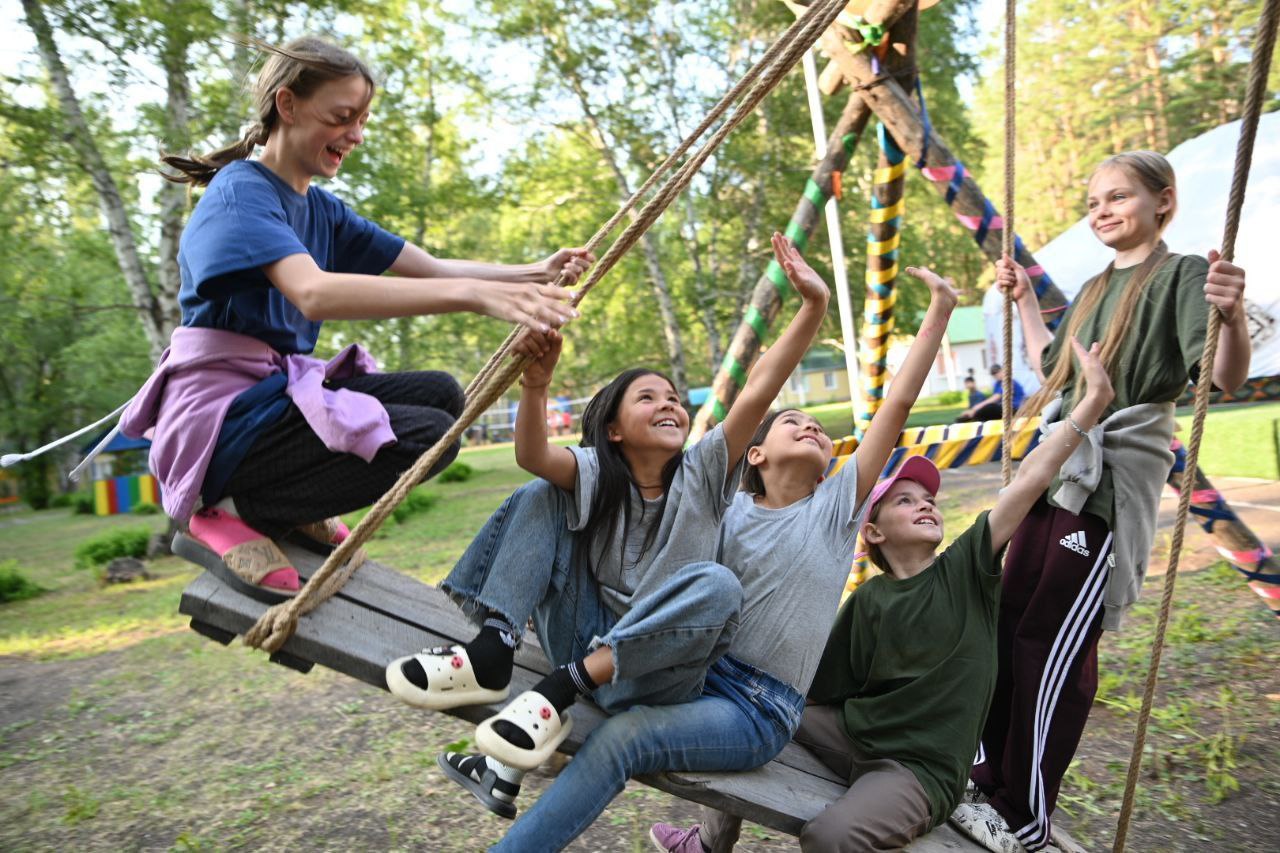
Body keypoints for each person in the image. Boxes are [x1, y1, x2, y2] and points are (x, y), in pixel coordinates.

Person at [118, 37, 588, 599]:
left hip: (271, 398)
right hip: (225, 420)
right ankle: (229, 508)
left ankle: (289, 502)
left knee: (442, 396)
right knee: (429, 438)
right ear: (288, 105)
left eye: (362, 121)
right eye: (342, 117)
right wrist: (475, 297)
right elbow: (313, 293)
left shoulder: (321, 208)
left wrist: (534, 272)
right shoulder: (240, 191)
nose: (356, 135)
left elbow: (431, 268)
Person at [383, 234, 828, 826]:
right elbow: (534, 458)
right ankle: (494, 646)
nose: (669, 404)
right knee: (544, 493)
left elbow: (760, 385)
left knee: (719, 586)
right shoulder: (599, 474)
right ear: (614, 430)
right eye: (648, 398)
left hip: (654, 674)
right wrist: (536, 385)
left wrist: (813, 308)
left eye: (673, 398)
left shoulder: (703, 475)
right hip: (581, 640)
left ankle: (542, 710)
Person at [661, 336, 1108, 853]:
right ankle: (708, 843)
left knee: (829, 838)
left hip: (918, 768)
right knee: (750, 708)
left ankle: (917, 801)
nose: (926, 505)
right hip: (853, 735)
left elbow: (1029, 479)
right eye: (905, 501)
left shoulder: (965, 569)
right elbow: (819, 688)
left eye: (929, 500)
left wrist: (1091, 404)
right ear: (872, 531)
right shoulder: (869, 601)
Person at [954, 150, 1250, 853]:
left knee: (1051, 643)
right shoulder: (1091, 288)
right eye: (1093, 202)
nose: (1102, 210)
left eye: (1119, 196)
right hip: (1057, 472)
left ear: (1163, 200)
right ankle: (987, 778)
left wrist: (1232, 315)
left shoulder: (1181, 275)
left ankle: (1024, 811)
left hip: (1107, 488)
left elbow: (1224, 375)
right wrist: (1025, 303)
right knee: (1007, 622)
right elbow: (1055, 369)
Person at [958, 364, 1025, 422]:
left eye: (997, 372)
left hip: (1014, 408)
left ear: (1002, 370)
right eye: (993, 374)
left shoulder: (1009, 381)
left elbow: (995, 398)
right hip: (1003, 408)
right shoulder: (997, 384)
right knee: (986, 410)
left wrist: (976, 408)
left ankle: (973, 419)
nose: (996, 375)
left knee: (989, 408)